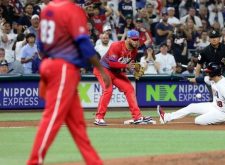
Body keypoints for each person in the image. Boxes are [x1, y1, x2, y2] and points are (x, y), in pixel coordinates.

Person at [27, 0, 111, 164]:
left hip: (50, 64)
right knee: (52, 118)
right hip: (63, 68)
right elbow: (84, 43)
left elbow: (41, 45)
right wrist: (101, 69)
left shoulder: (46, 10)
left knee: (77, 124)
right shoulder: (73, 10)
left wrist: (48, 68)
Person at [93, 29, 153, 126]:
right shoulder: (116, 45)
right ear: (128, 39)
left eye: (137, 39)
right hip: (103, 70)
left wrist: (133, 71)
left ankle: (137, 117)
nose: (136, 41)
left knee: (129, 89)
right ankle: (99, 118)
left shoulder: (134, 49)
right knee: (108, 90)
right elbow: (112, 63)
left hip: (116, 72)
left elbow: (128, 63)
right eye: (133, 39)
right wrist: (127, 66)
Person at [157, 62, 225, 126]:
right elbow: (201, 79)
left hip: (223, 113)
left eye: (209, 71)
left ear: (214, 73)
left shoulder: (224, 85)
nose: (207, 73)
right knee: (191, 106)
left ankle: (219, 120)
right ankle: (166, 117)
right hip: (214, 106)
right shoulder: (213, 79)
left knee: (198, 120)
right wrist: (189, 80)